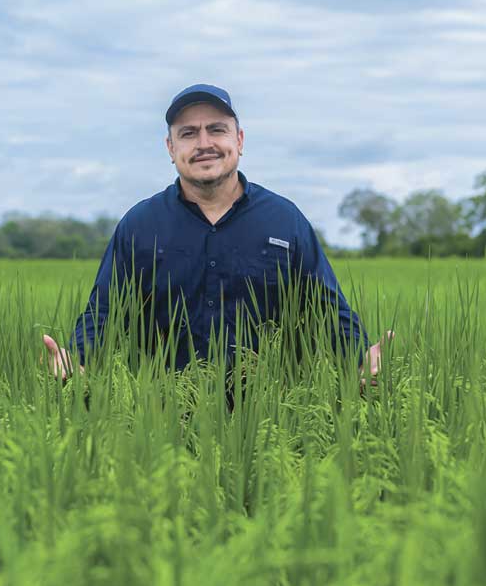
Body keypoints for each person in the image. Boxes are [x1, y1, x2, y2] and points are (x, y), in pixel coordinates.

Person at [42, 84, 389, 388]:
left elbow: (326, 309)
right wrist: (78, 360)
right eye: (189, 133)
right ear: (170, 147)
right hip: (160, 416)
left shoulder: (285, 221)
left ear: (239, 140)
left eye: (217, 130)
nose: (204, 143)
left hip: (267, 419)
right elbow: (104, 310)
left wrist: (359, 361)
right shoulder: (140, 225)